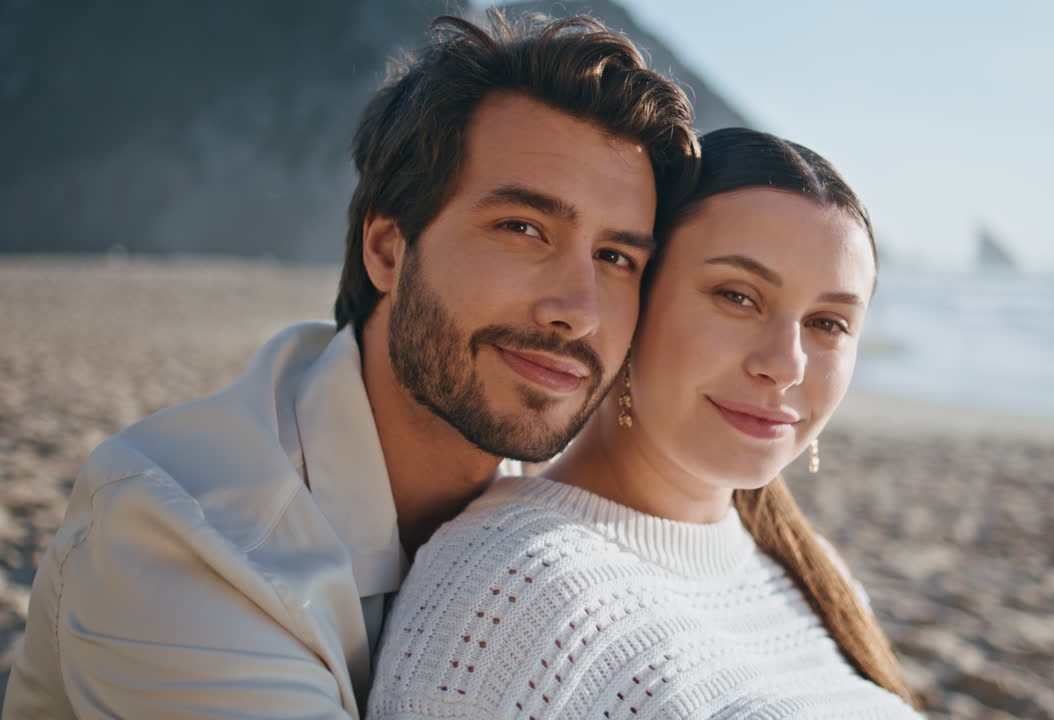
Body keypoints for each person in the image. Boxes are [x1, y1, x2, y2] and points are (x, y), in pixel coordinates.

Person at [2, 13, 698, 719]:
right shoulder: (186, 537)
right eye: (522, 228)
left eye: (616, 257)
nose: (576, 311)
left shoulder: (563, 505)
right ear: (388, 250)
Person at [366, 128, 924, 718]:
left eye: (829, 324)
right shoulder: (505, 588)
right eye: (737, 296)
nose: (784, 366)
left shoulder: (816, 575)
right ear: (629, 298)